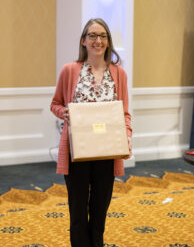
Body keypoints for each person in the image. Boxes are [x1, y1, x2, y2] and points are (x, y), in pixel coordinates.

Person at [50, 18, 132, 247]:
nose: (98, 40)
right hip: (78, 152)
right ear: (83, 41)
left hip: (107, 152)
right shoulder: (70, 70)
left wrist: (127, 136)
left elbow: (124, 113)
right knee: (77, 212)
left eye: (103, 36)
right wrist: (64, 112)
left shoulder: (119, 73)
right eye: (93, 35)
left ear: (108, 41)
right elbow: (55, 104)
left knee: (99, 211)